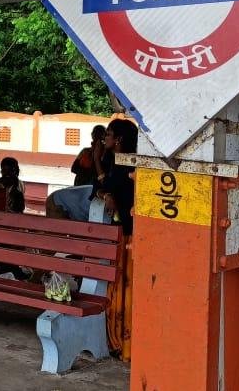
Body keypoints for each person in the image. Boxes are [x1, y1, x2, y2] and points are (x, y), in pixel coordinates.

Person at [95, 118, 137, 360]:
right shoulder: (118, 162)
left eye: (108, 134)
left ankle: (122, 342)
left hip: (128, 234)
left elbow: (103, 185)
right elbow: (100, 188)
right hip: (124, 231)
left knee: (123, 287)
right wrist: (106, 193)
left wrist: (97, 161)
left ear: (118, 139)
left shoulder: (125, 164)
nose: (104, 138)